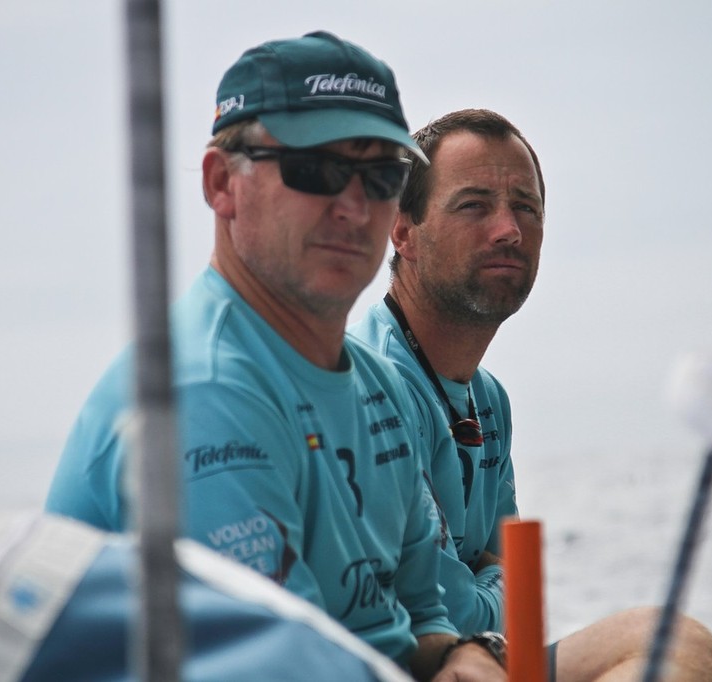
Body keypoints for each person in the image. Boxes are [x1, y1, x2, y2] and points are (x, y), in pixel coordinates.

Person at [45, 33, 504, 681]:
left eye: (382, 177)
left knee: (662, 642)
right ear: (220, 183)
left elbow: (421, 615)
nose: (354, 206)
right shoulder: (204, 393)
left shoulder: (383, 386)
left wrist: (462, 654)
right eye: (314, 169)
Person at [349, 108, 712, 681]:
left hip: (489, 662)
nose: (509, 229)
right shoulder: (377, 386)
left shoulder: (490, 399)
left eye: (526, 207)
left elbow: (520, 606)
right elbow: (455, 616)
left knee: (676, 644)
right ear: (402, 232)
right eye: (474, 205)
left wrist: (489, 574)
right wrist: (494, 574)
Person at [0, 486, 411, 682]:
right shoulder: (211, 389)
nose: (354, 208)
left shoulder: (403, 391)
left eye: (380, 196)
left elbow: (434, 583)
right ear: (222, 199)